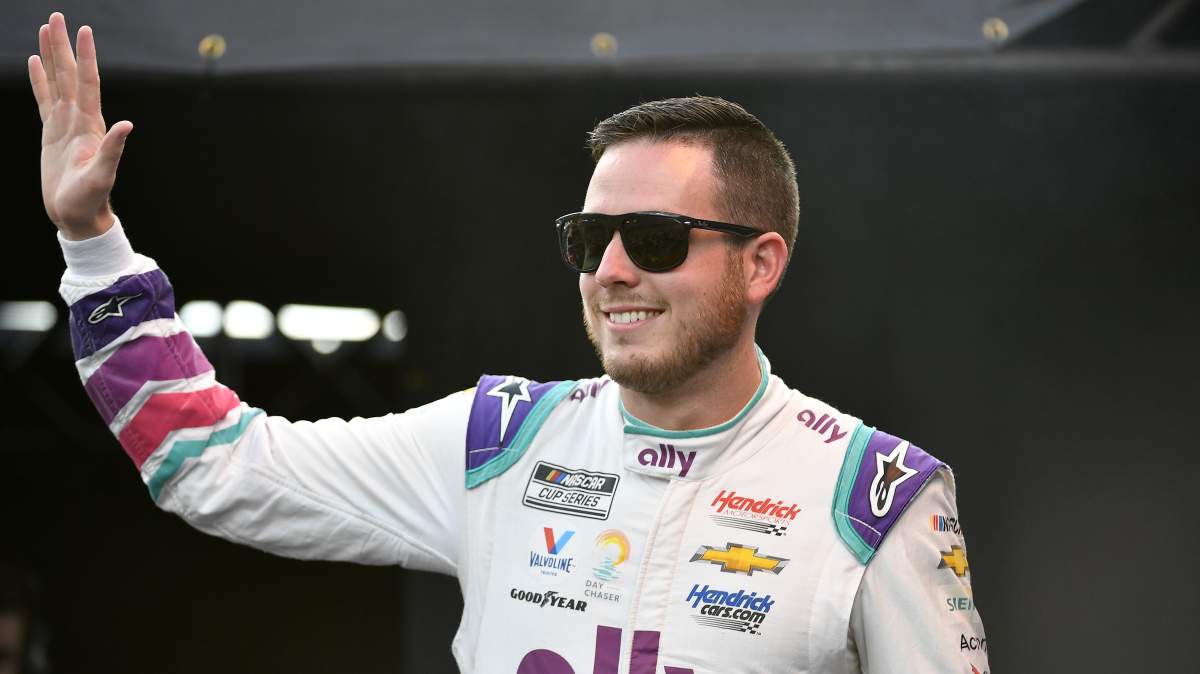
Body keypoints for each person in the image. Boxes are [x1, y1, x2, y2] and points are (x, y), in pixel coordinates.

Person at [29, 12, 989, 674]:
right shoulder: (501, 441)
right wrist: (92, 243)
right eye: (588, 240)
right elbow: (212, 464)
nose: (612, 270)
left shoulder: (876, 497)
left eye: (654, 239)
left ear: (762, 263)